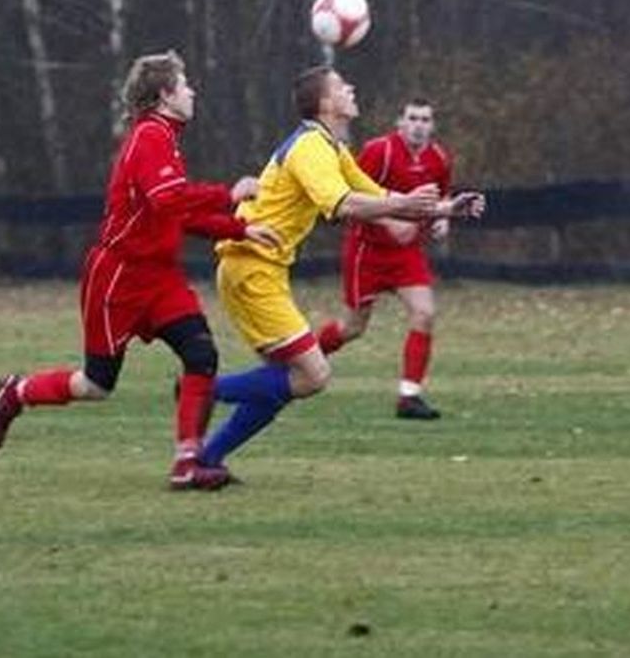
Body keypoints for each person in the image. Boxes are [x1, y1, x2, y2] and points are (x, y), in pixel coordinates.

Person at [0, 50, 279, 490]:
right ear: (165, 95)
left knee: (201, 355)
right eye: (185, 84)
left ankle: (187, 462)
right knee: (96, 384)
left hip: (160, 278)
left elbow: (177, 214)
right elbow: (168, 200)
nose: (193, 91)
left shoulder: (165, 138)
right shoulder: (148, 138)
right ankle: (16, 393)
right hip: (118, 278)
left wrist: (240, 229)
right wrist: (228, 195)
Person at [198, 67, 484, 476]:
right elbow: (344, 205)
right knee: (313, 376)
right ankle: (199, 390)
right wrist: (403, 206)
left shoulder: (331, 147)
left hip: (259, 268)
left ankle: (207, 460)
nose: (350, 88)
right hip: (251, 267)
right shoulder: (310, 147)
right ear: (326, 103)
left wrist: (444, 209)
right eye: (340, 86)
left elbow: (377, 194)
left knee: (284, 379)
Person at [315, 99, 459, 419]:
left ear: (432, 126)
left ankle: (409, 397)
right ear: (400, 123)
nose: (419, 125)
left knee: (425, 313)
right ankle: (300, 359)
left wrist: (442, 219)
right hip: (367, 250)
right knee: (352, 327)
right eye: (413, 118)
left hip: (406, 254)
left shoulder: (438, 158)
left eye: (425, 119)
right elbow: (351, 196)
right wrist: (389, 221)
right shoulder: (380, 151)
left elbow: (443, 195)